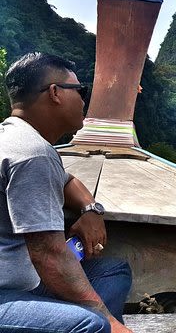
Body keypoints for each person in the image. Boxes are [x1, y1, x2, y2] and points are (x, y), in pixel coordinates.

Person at [0, 52, 133, 333]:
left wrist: (90, 209)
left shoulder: (17, 139)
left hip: (24, 281)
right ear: (55, 93)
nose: (84, 100)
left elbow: (66, 180)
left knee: (114, 270)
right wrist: (107, 320)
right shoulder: (32, 154)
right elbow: (48, 254)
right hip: (6, 293)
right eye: (80, 91)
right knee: (92, 325)